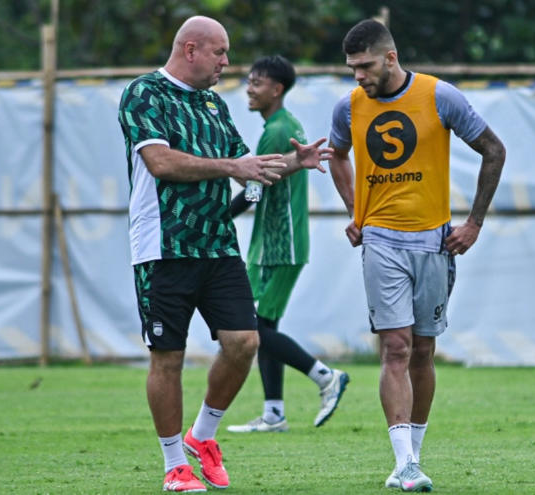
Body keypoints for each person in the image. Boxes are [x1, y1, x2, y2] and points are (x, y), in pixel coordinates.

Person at [117, 16, 332, 493]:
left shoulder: (213, 104)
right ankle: (175, 465)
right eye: (220, 53)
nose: (227, 63)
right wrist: (231, 166)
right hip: (163, 248)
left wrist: (297, 161)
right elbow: (161, 162)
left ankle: (203, 437)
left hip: (217, 245)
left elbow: (245, 166)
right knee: (167, 359)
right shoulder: (144, 93)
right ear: (190, 49)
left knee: (244, 343)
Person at [327, 20, 506, 492]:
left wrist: (474, 224)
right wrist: (356, 210)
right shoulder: (348, 107)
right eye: (351, 68)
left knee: (424, 350)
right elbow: (337, 156)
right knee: (397, 347)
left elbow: (494, 150)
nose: (357, 77)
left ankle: (414, 457)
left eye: (364, 66)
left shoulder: (438, 96)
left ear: (389, 58)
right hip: (381, 242)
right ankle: (404, 464)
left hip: (434, 242)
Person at [225, 55, 349, 434]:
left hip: (280, 246)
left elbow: (256, 189)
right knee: (263, 325)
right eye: (248, 81)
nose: (249, 88)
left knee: (252, 328)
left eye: (256, 82)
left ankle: (325, 376)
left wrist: (218, 218)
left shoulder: (277, 130)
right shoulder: (281, 125)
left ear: (276, 89)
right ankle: (274, 413)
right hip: (275, 243)